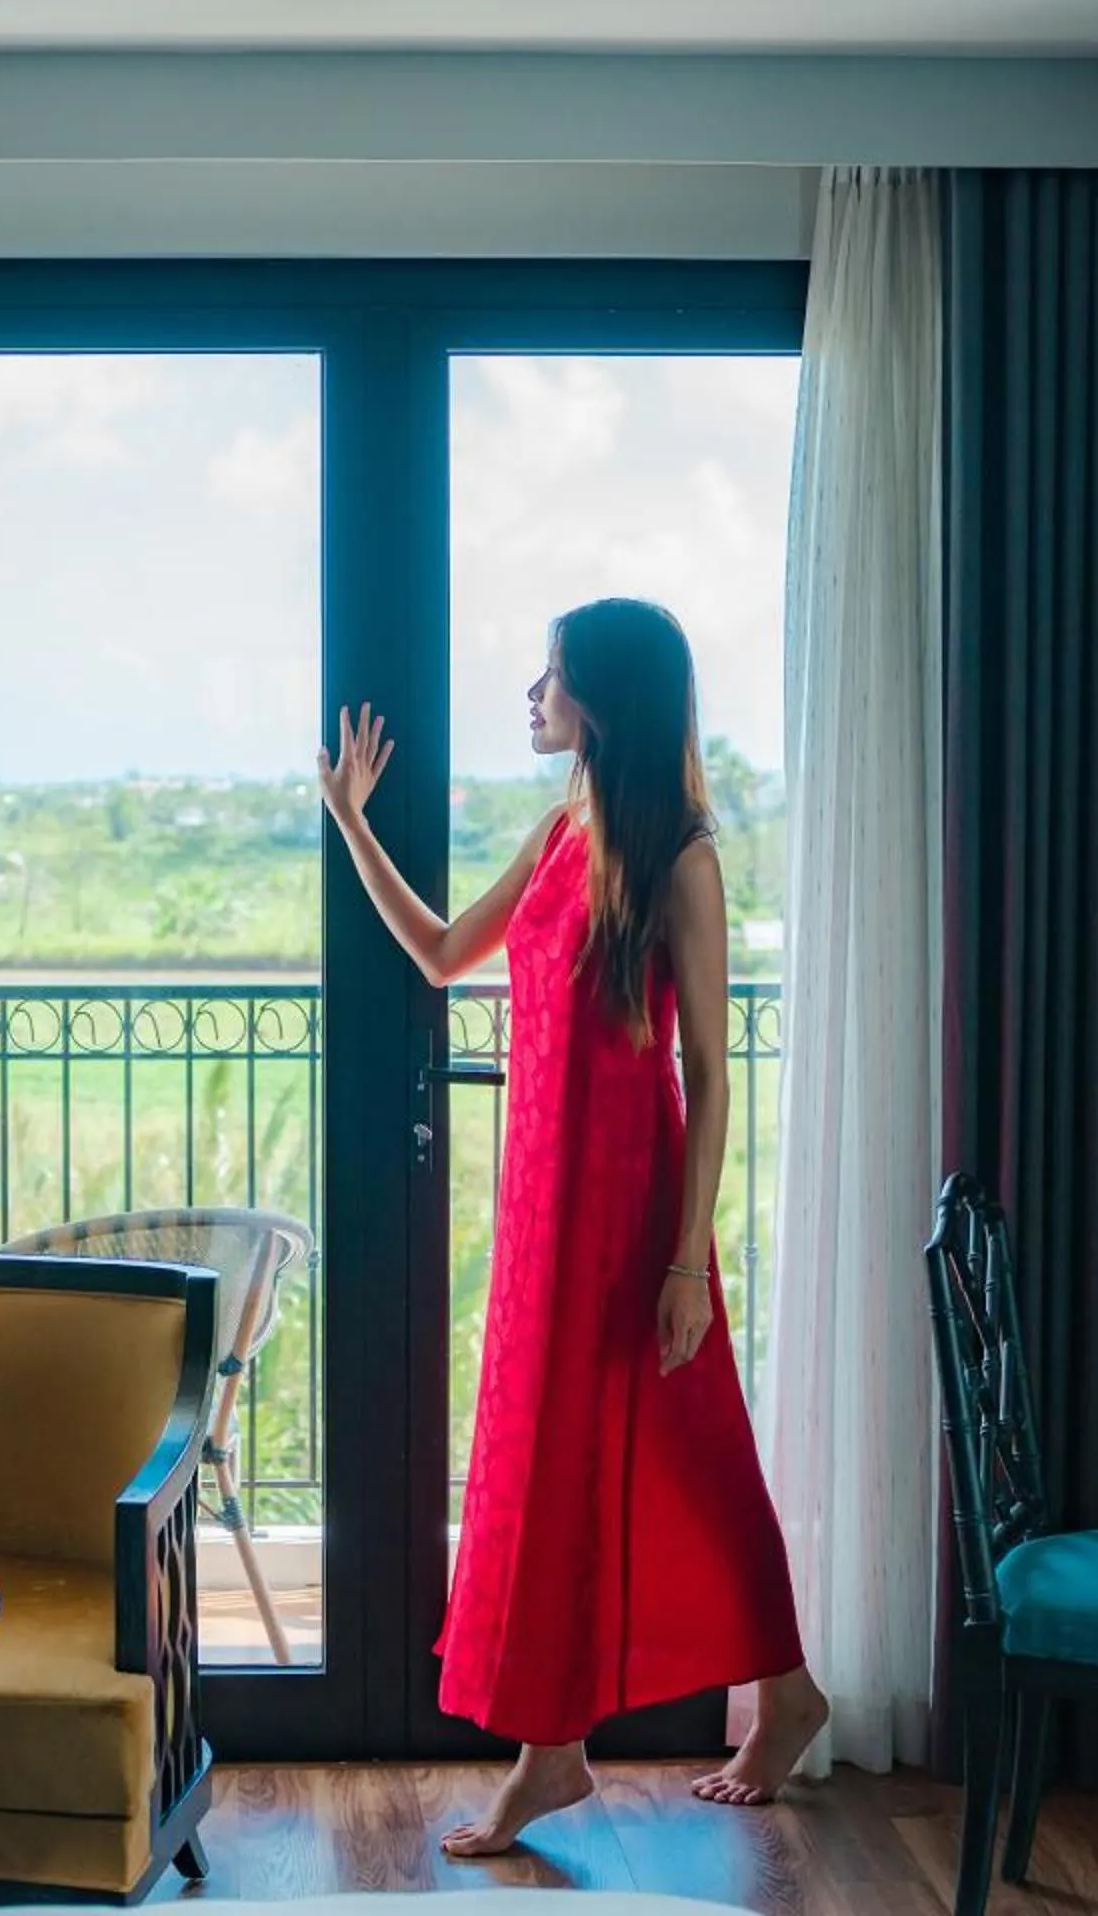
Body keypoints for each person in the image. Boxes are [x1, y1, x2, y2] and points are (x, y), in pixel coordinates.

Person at [319, 597, 829, 1856]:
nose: (533, 693)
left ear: (605, 698)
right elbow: (442, 954)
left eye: (551, 675)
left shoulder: (682, 855)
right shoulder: (563, 833)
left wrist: (681, 1262)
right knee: (549, 1464)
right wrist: (349, 820)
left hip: (637, 1208)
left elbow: (707, 1071)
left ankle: (780, 1696)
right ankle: (555, 1754)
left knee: (696, 1451)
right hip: (547, 1204)